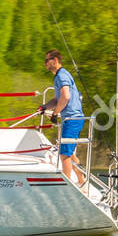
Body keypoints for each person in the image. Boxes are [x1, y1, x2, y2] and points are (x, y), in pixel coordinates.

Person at [40, 49, 87, 186]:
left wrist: (55, 114)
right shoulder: (59, 76)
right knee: (69, 151)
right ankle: (81, 180)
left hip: (72, 119)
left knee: (64, 154)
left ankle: (67, 185)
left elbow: (66, 97)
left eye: (46, 61)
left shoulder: (61, 76)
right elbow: (57, 99)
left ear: (55, 61)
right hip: (73, 119)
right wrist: (45, 107)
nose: (45, 64)